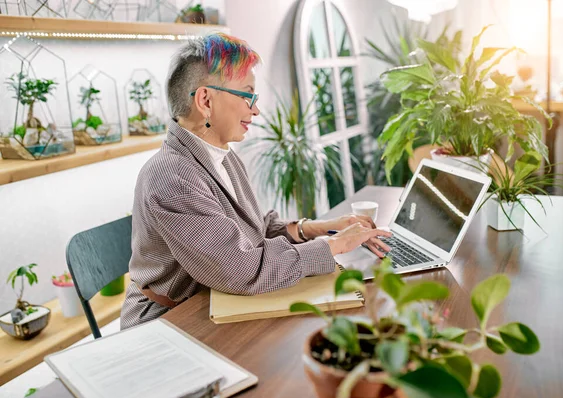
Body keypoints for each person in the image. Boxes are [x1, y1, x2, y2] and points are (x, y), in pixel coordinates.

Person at [120, 33, 391, 330]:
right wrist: (334, 245)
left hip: (216, 303)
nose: (256, 109)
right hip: (169, 324)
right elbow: (241, 267)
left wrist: (315, 228)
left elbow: (253, 233)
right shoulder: (172, 178)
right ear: (205, 100)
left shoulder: (222, 156)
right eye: (247, 95)